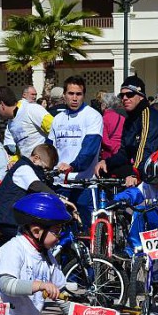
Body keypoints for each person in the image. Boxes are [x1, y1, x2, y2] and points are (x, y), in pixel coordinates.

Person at [99, 76, 158, 180]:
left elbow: (146, 150)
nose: (125, 98)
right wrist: (107, 162)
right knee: (105, 171)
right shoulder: (130, 119)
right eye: (122, 95)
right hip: (149, 170)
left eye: (130, 94)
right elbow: (124, 152)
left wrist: (134, 174)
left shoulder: (149, 116)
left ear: (141, 96)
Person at [48, 76, 103, 227]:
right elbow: (49, 149)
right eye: (71, 93)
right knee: (59, 229)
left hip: (84, 184)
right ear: (64, 95)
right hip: (60, 184)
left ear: (83, 95)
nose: (74, 98)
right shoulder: (57, 119)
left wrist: (72, 166)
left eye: (78, 94)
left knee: (85, 230)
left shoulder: (93, 116)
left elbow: (89, 150)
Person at [0, 144, 59, 240]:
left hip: (9, 219)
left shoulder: (28, 167)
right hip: (5, 219)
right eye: (44, 168)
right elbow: (36, 185)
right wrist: (59, 199)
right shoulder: (24, 168)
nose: (44, 172)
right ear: (36, 158)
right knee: (29, 242)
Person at [0, 85, 54, 158]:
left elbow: (56, 129)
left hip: (44, 166)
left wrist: (46, 155)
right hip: (28, 165)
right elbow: (22, 148)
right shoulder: (11, 123)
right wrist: (14, 160)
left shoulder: (32, 109)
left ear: (1, 105)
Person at [100, 92, 125, 166]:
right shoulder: (122, 118)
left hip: (109, 155)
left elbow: (104, 140)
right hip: (122, 152)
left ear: (104, 105)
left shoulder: (103, 119)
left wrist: (114, 150)